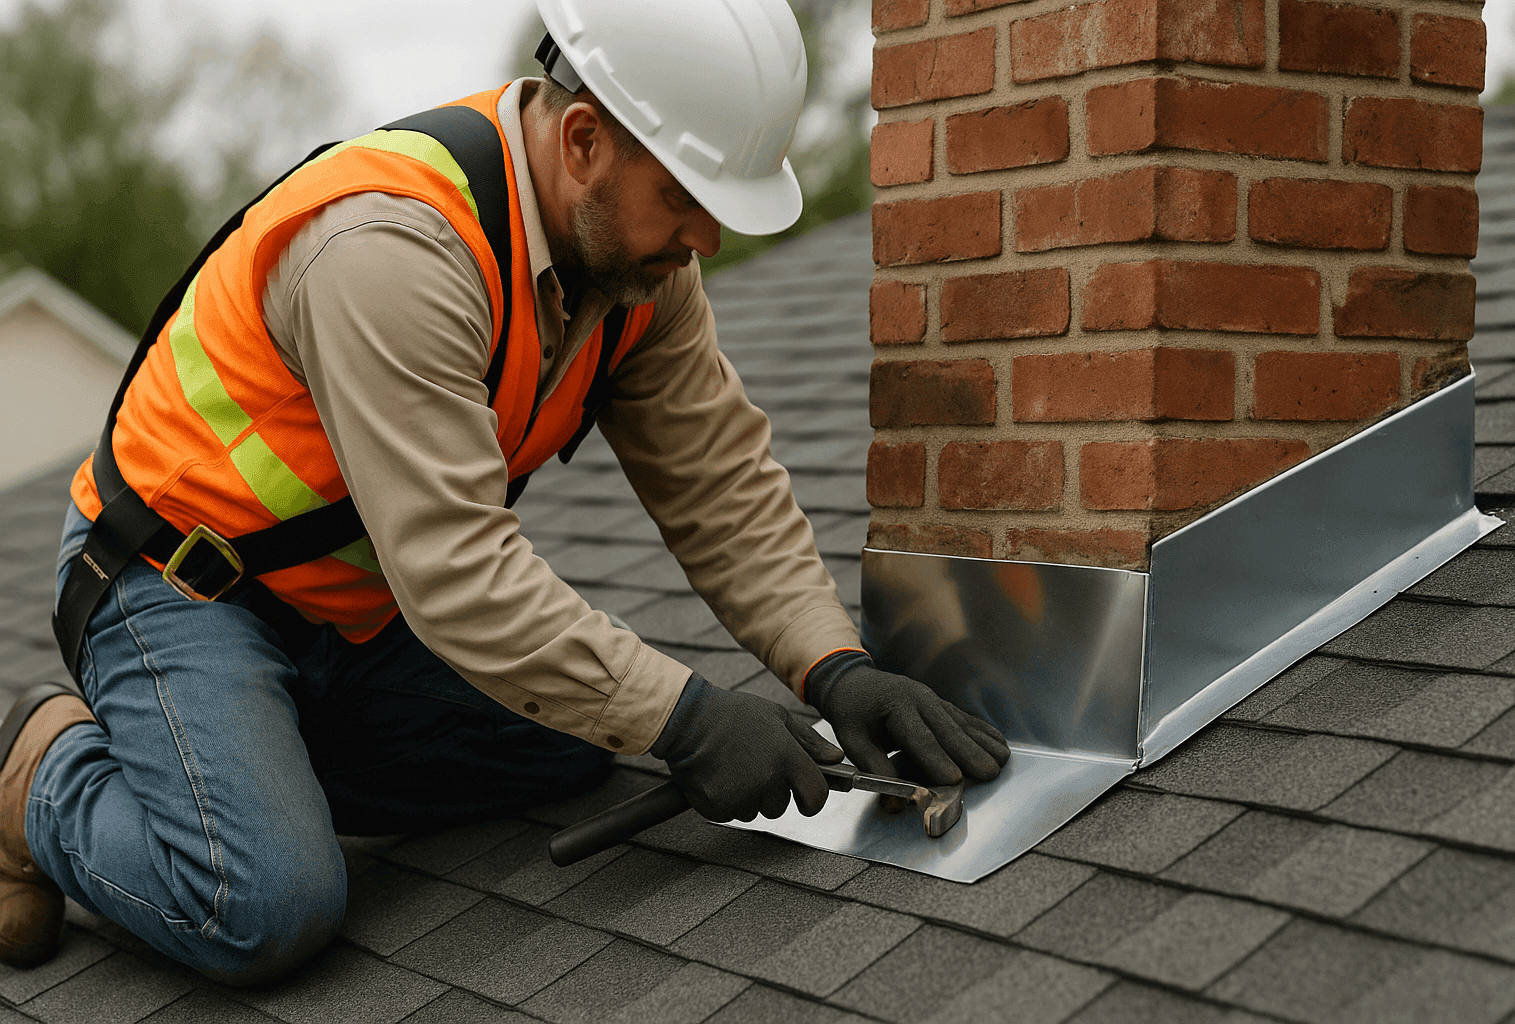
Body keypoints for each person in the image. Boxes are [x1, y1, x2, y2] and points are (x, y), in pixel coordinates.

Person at [0, 0, 1008, 983]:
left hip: (353, 613)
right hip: (178, 586)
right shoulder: (389, 251)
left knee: (574, 744)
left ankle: (250, 760)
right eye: (688, 197)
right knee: (265, 904)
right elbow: (456, 573)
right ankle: (42, 777)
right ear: (581, 140)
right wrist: (690, 720)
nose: (704, 239)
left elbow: (720, 483)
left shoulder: (637, 271)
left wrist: (832, 667)